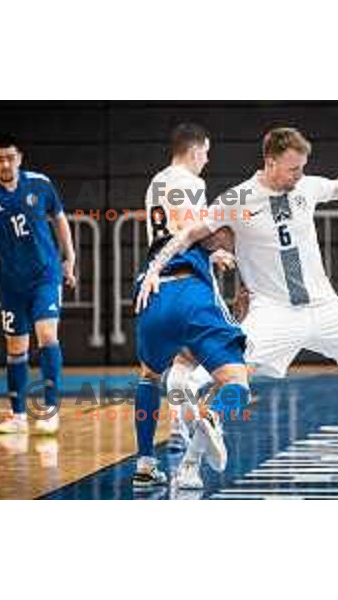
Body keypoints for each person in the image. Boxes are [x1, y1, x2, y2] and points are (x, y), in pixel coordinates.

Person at [137, 127, 338, 477]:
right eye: (293, 168)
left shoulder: (306, 187)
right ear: (270, 162)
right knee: (234, 381)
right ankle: (191, 462)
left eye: (303, 168)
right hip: (273, 314)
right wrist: (155, 269)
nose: (299, 175)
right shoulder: (238, 198)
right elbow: (189, 233)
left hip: (325, 306)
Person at [132, 123, 249, 489]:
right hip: (189, 288)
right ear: (196, 151)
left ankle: (146, 462)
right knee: (237, 381)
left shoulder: (155, 182)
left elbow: (168, 236)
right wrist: (220, 246)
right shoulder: (193, 183)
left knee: (149, 377)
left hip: (154, 290)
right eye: (207, 153)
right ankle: (208, 417)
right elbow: (190, 231)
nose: (208, 160)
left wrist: (207, 254)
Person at [0, 134, 76, 435]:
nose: (5, 163)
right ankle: (18, 416)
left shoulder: (40, 184)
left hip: (45, 276)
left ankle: (49, 409)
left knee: (47, 335)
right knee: (16, 347)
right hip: (12, 284)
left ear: (19, 158)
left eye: (10, 157)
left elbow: (59, 219)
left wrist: (69, 258)